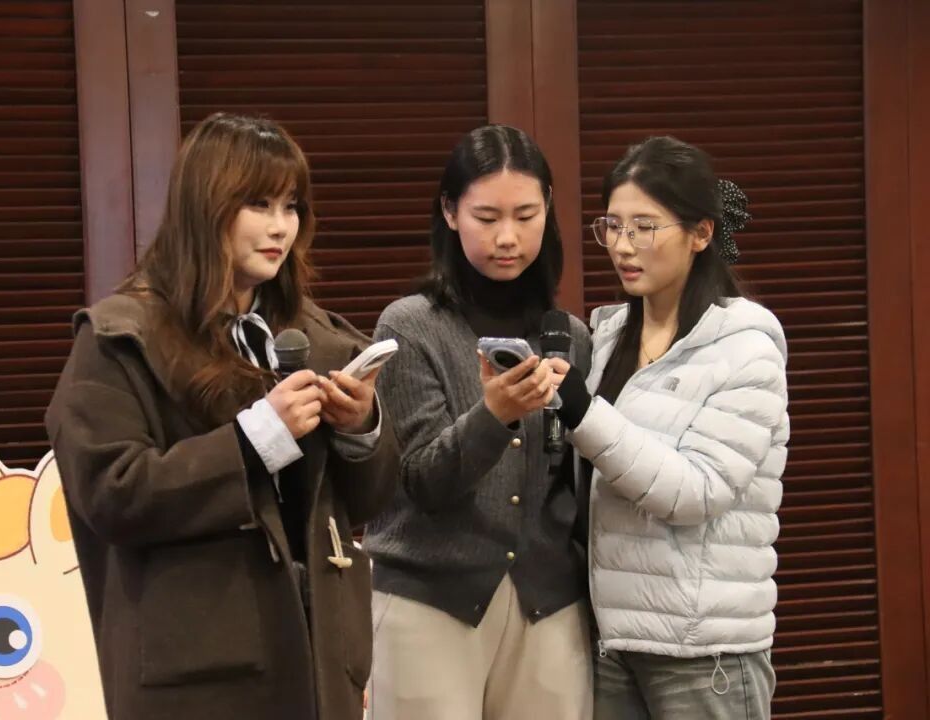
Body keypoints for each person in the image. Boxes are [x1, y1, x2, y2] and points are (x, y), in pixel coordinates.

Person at [45, 112, 399, 720]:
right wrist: (255, 439)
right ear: (204, 206)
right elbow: (111, 493)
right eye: (258, 204)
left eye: (291, 206)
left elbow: (368, 502)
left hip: (319, 660)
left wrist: (361, 429)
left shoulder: (315, 334)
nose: (281, 226)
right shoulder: (119, 338)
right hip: (198, 673)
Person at [553, 136, 789, 719]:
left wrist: (582, 413)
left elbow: (697, 492)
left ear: (700, 233)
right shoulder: (606, 337)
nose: (622, 246)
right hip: (614, 641)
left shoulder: (745, 350)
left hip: (705, 651)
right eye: (612, 226)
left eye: (645, 228)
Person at [364, 124, 594, 719]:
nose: (508, 237)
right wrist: (493, 416)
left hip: (549, 601)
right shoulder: (410, 326)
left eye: (526, 215)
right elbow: (422, 481)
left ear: (548, 209)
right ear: (449, 211)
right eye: (486, 217)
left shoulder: (571, 335)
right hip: (430, 602)